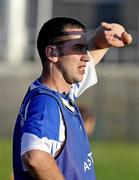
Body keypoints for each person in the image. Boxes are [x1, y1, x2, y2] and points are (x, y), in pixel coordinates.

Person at [13, 17, 132, 180]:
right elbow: (35, 157)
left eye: (85, 48)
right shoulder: (46, 104)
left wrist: (103, 40)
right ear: (52, 53)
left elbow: (92, 54)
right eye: (78, 48)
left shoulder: (62, 94)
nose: (86, 57)